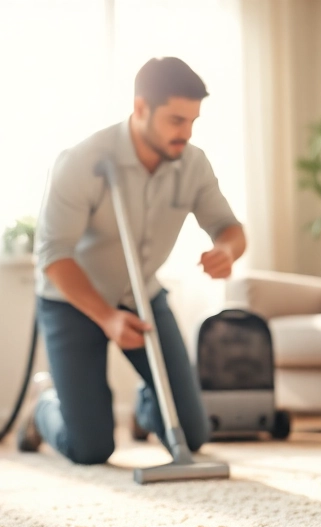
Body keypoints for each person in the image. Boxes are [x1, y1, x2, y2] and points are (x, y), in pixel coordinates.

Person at [18, 57, 245, 464]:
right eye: (176, 120)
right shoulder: (82, 161)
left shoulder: (192, 163)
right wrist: (106, 317)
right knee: (90, 447)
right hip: (72, 301)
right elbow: (52, 255)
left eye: (193, 121)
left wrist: (226, 251)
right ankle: (44, 407)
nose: (186, 133)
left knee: (192, 433)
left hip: (142, 296)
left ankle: (147, 405)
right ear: (141, 108)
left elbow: (229, 228)